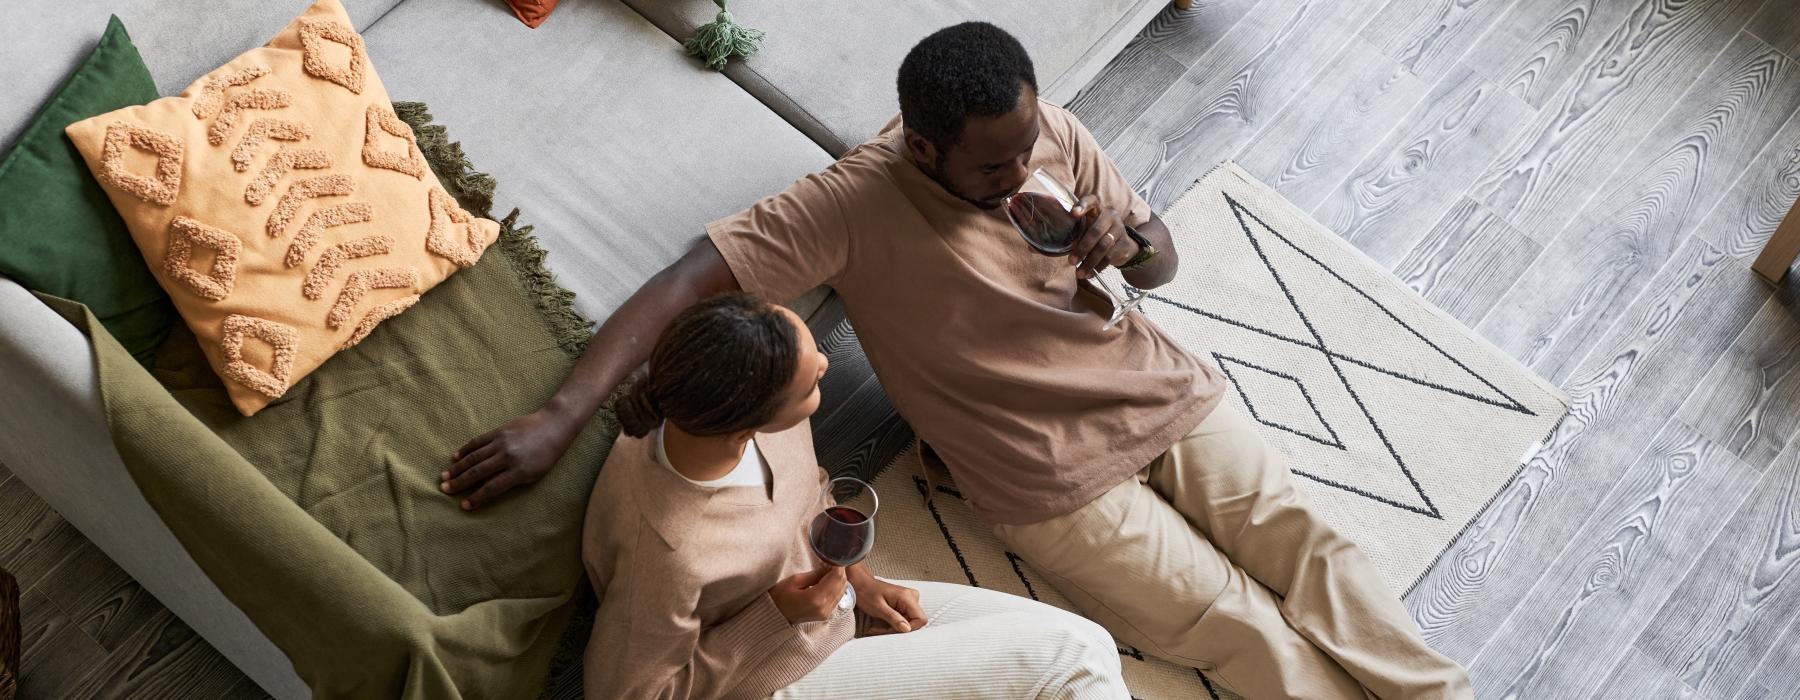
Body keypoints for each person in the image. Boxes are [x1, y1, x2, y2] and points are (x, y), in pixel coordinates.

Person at [451, 21, 1472, 700]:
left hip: (1156, 386)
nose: (1024, 170)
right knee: (1232, 622)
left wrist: (1130, 246)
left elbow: (1162, 261)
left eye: (1030, 145)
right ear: (926, 150)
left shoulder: (1050, 137)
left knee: (1313, 548)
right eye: (995, 164)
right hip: (1045, 475)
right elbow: (686, 282)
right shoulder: (850, 204)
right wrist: (562, 415)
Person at [580, 292, 1127, 699]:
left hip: (835, 614)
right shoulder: (667, 550)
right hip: (774, 678)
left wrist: (862, 581)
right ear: (748, 424)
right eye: (813, 382)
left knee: (1090, 643)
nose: (826, 365)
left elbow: (809, 494)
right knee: (1070, 662)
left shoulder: (743, 409)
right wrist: (775, 616)